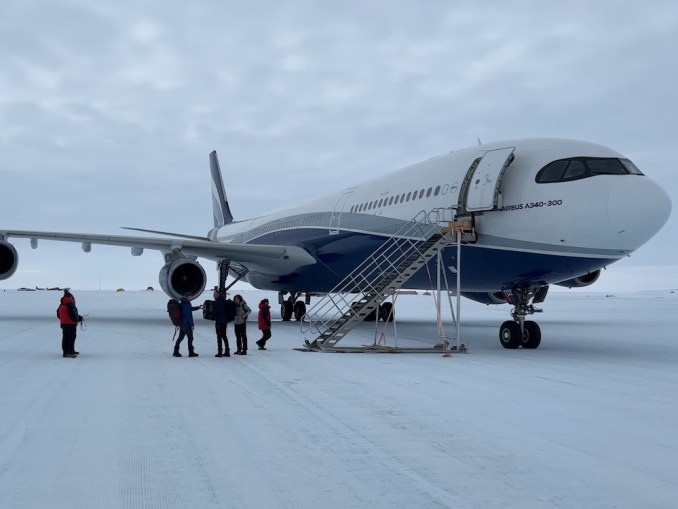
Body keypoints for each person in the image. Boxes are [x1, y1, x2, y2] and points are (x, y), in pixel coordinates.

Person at [173, 293, 202, 357]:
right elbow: (188, 315)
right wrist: (191, 324)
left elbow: (190, 309)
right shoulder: (186, 304)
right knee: (190, 338)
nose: (192, 298)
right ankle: (191, 352)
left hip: (182, 324)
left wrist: (198, 307)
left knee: (180, 338)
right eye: (191, 297)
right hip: (186, 324)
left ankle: (175, 351)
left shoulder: (184, 303)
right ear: (187, 297)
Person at [57, 289, 83, 358]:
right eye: (72, 298)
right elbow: (73, 315)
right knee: (71, 338)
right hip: (71, 324)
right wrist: (78, 319)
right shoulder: (70, 305)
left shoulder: (61, 305)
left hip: (63, 324)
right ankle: (70, 352)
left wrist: (63, 319)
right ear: (70, 298)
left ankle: (66, 352)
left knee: (65, 338)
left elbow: (58, 315)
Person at [212, 290, 233, 357]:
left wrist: (206, 311)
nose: (214, 296)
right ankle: (227, 351)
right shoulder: (224, 301)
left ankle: (220, 352)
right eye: (214, 294)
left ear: (218, 295)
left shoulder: (217, 303)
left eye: (215, 294)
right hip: (224, 322)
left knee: (219, 337)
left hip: (219, 322)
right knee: (224, 336)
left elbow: (214, 314)